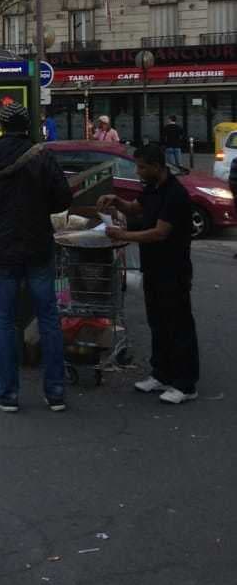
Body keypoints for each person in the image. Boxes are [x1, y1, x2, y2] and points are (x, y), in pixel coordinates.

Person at [0, 102, 73, 413]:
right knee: (49, 319)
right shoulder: (42, 156)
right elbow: (63, 198)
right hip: (38, 247)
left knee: (5, 322)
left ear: (0, 126)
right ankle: (54, 393)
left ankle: (8, 393)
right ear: (28, 127)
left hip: (0, 250)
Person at [99, 142, 199, 404]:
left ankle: (186, 383)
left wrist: (123, 235)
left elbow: (160, 232)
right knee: (157, 321)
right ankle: (161, 374)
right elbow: (135, 208)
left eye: (142, 167)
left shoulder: (174, 194)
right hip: (153, 267)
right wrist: (116, 201)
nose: (138, 172)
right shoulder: (152, 188)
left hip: (173, 268)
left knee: (178, 324)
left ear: (157, 166)